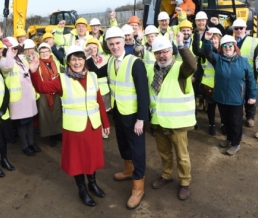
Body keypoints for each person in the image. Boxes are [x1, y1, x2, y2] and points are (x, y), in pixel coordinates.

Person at [29, 45, 110, 207]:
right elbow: (42, 88)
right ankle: (82, 190)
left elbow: (98, 100)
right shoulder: (61, 79)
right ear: (68, 62)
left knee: (91, 157)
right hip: (75, 129)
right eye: (73, 59)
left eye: (80, 58)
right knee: (78, 160)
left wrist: (105, 122)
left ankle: (92, 183)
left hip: (92, 126)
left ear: (84, 60)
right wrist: (33, 72)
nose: (77, 62)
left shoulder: (92, 76)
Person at [86, 26, 149, 210]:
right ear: (107, 45)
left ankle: (138, 186)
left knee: (137, 150)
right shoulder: (112, 62)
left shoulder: (134, 63)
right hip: (119, 113)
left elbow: (143, 93)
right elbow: (97, 75)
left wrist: (141, 119)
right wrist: (87, 57)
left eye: (117, 43)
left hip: (133, 116)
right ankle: (128, 169)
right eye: (111, 44)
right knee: (123, 144)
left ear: (124, 42)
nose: (114, 47)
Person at [148, 33, 196, 200]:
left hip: (177, 122)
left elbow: (192, 64)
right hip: (159, 121)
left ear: (172, 52)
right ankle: (167, 175)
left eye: (165, 51)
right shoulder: (153, 70)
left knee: (182, 155)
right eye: (158, 52)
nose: (162, 55)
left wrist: (182, 45)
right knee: (164, 153)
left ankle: (184, 182)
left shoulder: (181, 69)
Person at [202, 33, 257, 155]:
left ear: (235, 46)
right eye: (225, 45)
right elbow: (207, 52)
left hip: (236, 98)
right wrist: (206, 40)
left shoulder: (243, 61)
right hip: (221, 97)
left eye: (230, 45)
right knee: (225, 120)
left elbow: (251, 79)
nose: (228, 47)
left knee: (235, 122)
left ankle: (236, 143)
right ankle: (229, 139)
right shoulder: (218, 59)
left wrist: (252, 95)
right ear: (222, 48)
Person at [0, 37, 39, 156]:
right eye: (11, 48)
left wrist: (32, 68)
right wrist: (10, 52)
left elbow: (28, 71)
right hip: (17, 98)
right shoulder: (3, 61)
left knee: (30, 121)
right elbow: (9, 66)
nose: (14, 50)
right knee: (22, 123)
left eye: (15, 48)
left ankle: (31, 143)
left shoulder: (21, 58)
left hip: (28, 95)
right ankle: (25, 145)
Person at [192, 27, 224, 135]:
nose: (213, 41)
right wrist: (195, 76)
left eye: (215, 38)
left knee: (222, 106)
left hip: (221, 84)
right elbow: (201, 66)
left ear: (220, 39)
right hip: (208, 85)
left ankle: (223, 124)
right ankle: (212, 125)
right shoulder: (205, 53)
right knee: (211, 106)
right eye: (211, 39)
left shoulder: (224, 51)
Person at [232, 18, 258, 127]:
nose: (239, 30)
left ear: (245, 29)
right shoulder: (231, 41)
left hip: (249, 73)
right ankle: (239, 115)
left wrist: (256, 75)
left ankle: (250, 117)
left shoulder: (254, 41)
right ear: (234, 29)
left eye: (241, 28)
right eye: (236, 28)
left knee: (250, 95)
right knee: (238, 96)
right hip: (236, 74)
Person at [36, 42, 63, 147]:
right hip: (44, 92)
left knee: (57, 113)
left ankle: (58, 133)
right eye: (41, 52)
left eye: (46, 51)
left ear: (50, 51)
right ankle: (51, 136)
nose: (44, 54)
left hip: (56, 91)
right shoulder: (37, 63)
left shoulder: (55, 61)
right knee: (47, 115)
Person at [84, 38, 111, 139]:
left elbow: (103, 72)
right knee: (96, 111)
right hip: (92, 90)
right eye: (90, 47)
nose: (93, 49)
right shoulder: (85, 60)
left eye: (95, 47)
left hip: (104, 90)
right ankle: (99, 130)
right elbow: (95, 72)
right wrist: (88, 57)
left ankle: (104, 128)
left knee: (104, 112)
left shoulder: (104, 58)